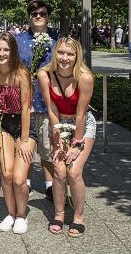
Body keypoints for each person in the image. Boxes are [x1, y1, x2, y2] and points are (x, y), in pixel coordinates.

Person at [38, 37, 96, 238]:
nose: (65, 58)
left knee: (74, 172)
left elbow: (81, 113)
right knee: (60, 171)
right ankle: (59, 214)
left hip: (81, 124)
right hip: (58, 123)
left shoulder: (85, 77)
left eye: (70, 54)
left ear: (77, 56)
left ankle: (78, 217)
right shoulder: (45, 75)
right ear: (55, 54)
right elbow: (51, 109)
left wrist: (76, 144)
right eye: (61, 52)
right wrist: (56, 142)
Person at [0, 33, 35, 234]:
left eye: (6, 49)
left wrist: (24, 140)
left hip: (23, 124)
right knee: (6, 174)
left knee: (18, 178)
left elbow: (25, 108)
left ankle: (22, 215)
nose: (2, 53)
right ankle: (11, 213)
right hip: (2, 123)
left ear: (13, 51)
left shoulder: (21, 73)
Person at [15, 0, 57, 201]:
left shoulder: (57, 40)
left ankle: (50, 185)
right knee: (26, 143)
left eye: (42, 13)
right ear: (29, 16)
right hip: (24, 102)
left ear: (48, 16)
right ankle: (27, 182)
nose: (38, 16)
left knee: (48, 146)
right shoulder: (19, 40)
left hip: (49, 101)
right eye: (33, 13)